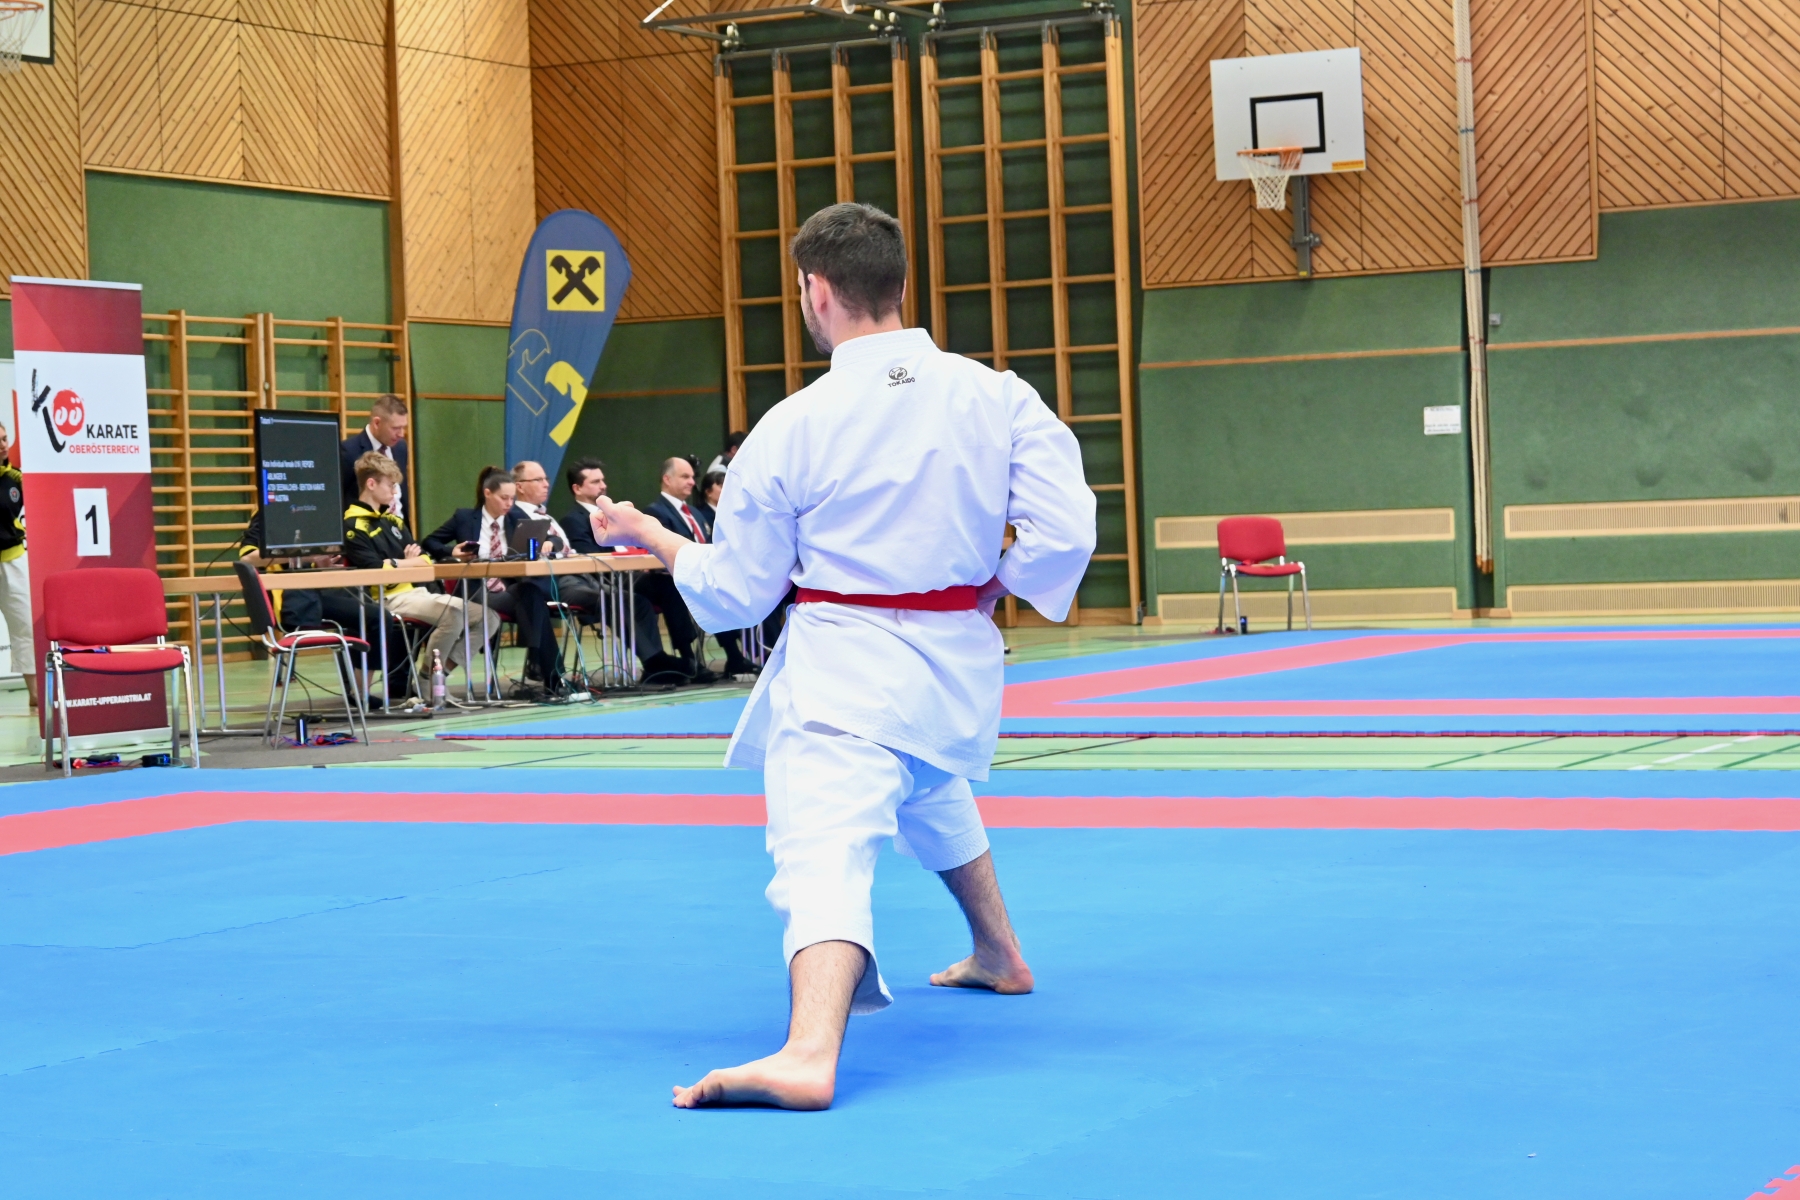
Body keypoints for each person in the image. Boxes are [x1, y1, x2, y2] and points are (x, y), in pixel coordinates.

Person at [595, 202, 1094, 1110]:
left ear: (816, 291)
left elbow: (739, 591)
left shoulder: (795, 424)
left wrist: (653, 538)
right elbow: (1067, 531)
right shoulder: (999, 396)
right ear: (899, 284)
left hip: (847, 668)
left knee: (822, 844)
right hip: (956, 661)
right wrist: (999, 582)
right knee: (929, 782)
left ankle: (807, 1052)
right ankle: (1000, 953)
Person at [420, 468, 569, 698]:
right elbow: (429, 542)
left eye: (512, 499)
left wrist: (551, 543)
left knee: (530, 593)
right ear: (488, 493)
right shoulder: (464, 518)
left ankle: (542, 664)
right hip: (476, 590)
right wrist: (452, 551)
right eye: (504, 498)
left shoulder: (515, 519)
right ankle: (549, 673)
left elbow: (553, 538)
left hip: (505, 589)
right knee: (532, 600)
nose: (509, 504)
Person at [238, 510, 414, 702]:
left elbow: (307, 566)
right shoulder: (267, 514)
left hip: (314, 593)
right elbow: (247, 558)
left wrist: (321, 565)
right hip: (290, 600)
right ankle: (360, 692)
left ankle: (360, 690)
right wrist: (307, 556)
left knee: (374, 614)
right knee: (376, 617)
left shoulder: (309, 512)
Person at [342, 452, 481, 680]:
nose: (395, 492)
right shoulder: (352, 525)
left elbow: (424, 560)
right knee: (453, 617)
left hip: (416, 592)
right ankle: (430, 685)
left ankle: (436, 673)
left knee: (487, 617)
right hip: (387, 598)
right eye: (390, 485)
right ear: (371, 484)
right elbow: (377, 571)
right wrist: (406, 563)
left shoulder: (393, 521)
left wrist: (396, 563)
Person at [559, 457, 686, 680]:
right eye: (595, 482)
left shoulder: (615, 514)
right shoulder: (573, 520)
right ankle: (655, 661)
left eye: (603, 480)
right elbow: (591, 556)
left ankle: (685, 653)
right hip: (609, 578)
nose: (603, 486)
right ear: (577, 488)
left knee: (667, 583)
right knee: (624, 599)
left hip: (631, 574)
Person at [643, 458, 738, 680]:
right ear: (667, 479)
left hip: (701, 571)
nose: (692, 482)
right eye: (685, 477)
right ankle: (689, 658)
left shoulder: (694, 513)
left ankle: (735, 655)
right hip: (669, 577)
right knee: (674, 588)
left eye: (693, 477)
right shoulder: (655, 512)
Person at [0, 422, 36, 708]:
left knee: (26, 627)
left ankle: (35, 694)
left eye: (4, 439)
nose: (3, 445)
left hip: (12, 560)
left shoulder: (17, 478)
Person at [340, 395, 411, 517]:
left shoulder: (401, 447)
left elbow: (401, 495)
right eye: (396, 428)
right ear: (377, 423)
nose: (401, 434)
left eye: (403, 427)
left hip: (398, 525)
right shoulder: (348, 452)